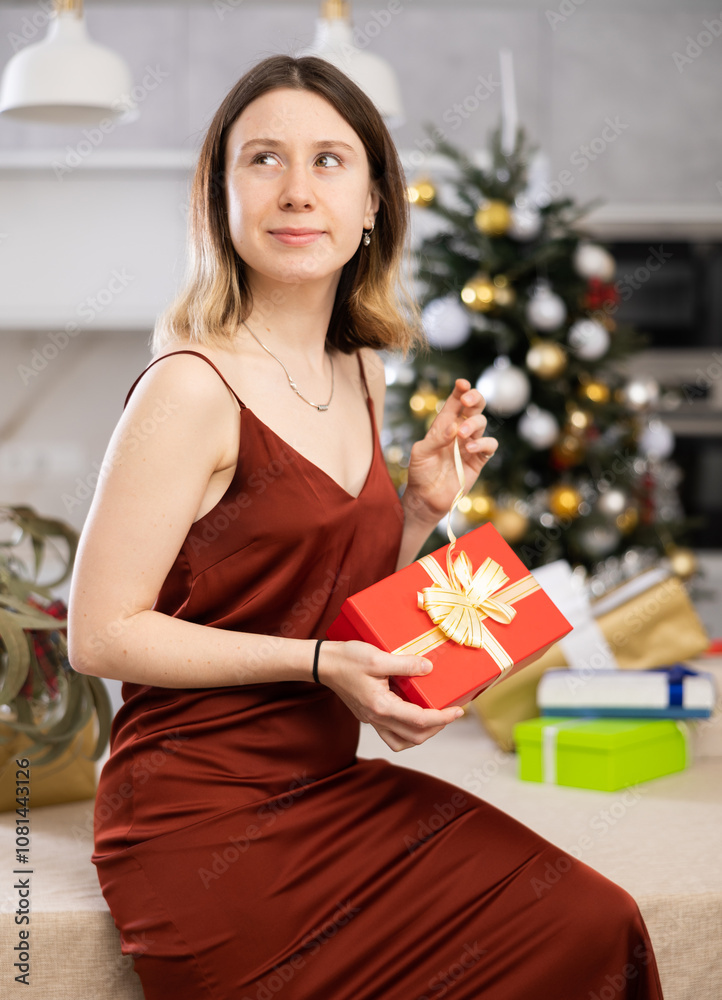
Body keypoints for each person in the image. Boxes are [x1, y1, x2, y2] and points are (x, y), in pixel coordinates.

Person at [68, 54, 665, 1000]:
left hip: (326, 785)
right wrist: (318, 668)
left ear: (376, 200)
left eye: (330, 161)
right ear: (219, 197)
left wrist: (421, 509)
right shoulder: (188, 386)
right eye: (262, 159)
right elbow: (98, 633)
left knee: (594, 920)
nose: (298, 191)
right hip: (197, 822)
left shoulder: (362, 373)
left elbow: (330, 612)